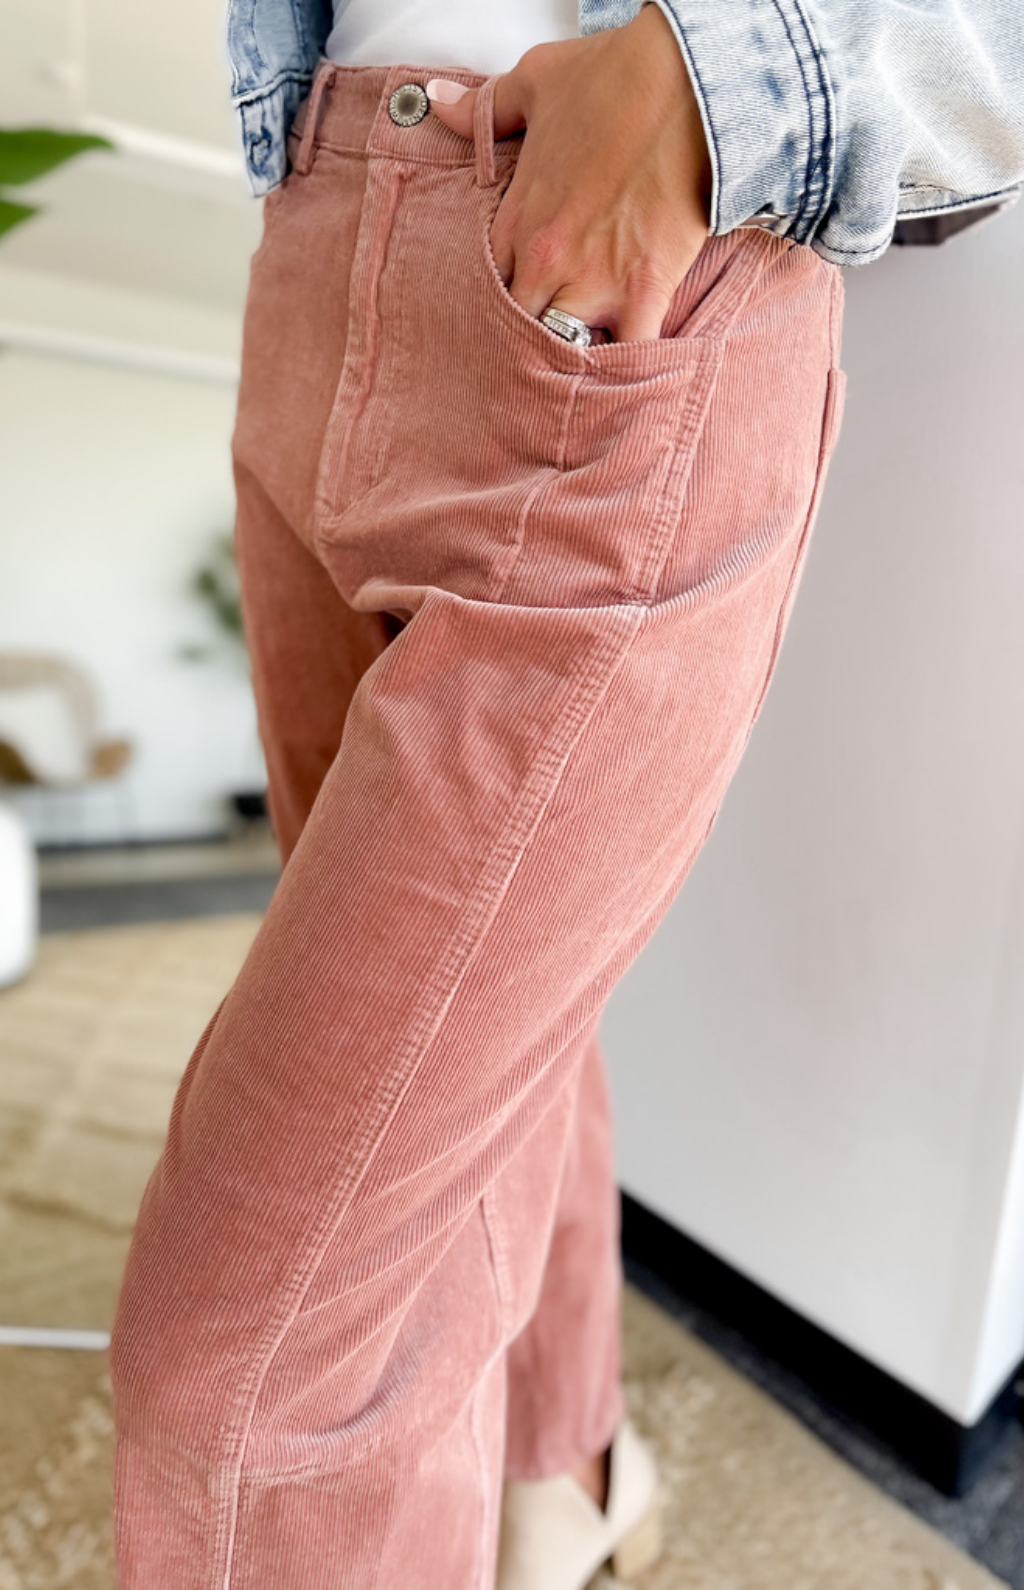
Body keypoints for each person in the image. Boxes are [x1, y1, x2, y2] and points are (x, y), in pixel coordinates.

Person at [109, 3, 1024, 1587]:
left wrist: (702, 80)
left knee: (248, 1366)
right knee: (452, 1063)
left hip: (616, 289)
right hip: (317, 223)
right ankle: (565, 1459)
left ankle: (556, 1471)